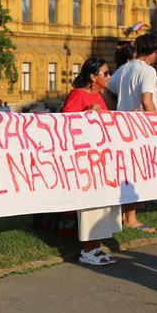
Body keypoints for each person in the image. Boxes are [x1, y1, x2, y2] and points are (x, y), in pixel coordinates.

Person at [62, 58, 120, 267]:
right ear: (93, 77)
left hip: (101, 158)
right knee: (90, 205)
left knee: (103, 203)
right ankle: (87, 248)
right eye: (105, 73)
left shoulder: (100, 95)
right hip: (85, 160)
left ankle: (95, 245)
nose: (109, 77)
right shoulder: (78, 95)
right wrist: (86, 114)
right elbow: (64, 124)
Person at [107, 32, 157, 233]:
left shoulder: (124, 68)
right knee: (134, 173)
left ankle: (124, 213)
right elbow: (147, 99)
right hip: (140, 128)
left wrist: (115, 108)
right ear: (156, 51)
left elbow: (107, 87)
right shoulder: (148, 72)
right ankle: (131, 218)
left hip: (122, 126)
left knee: (124, 171)